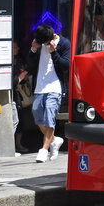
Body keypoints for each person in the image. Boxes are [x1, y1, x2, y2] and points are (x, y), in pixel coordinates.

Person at [27, 24, 70, 162]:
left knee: (49, 117)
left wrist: (54, 52)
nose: (43, 45)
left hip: (55, 87)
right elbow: (30, 65)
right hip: (40, 86)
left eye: (44, 43)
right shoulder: (39, 45)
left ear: (51, 37)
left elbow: (66, 65)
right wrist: (33, 50)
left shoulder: (63, 43)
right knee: (37, 115)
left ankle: (44, 150)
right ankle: (54, 140)